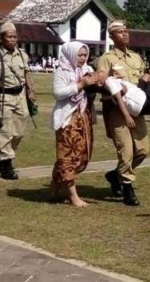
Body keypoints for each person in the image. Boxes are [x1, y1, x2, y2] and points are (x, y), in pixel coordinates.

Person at [97, 20, 149, 206]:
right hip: (117, 111)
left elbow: (142, 80)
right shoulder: (107, 58)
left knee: (143, 150)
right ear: (111, 37)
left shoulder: (136, 58)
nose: (125, 34)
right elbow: (102, 85)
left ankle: (115, 175)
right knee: (125, 152)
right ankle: (128, 188)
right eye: (120, 32)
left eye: (126, 31)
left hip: (137, 108)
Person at [0, 21, 36, 180]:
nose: (13, 39)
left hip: (20, 97)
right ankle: (6, 165)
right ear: (1, 38)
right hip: (2, 96)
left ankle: (0, 152)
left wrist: (31, 90)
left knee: (19, 131)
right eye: (9, 37)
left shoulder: (22, 54)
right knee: (3, 130)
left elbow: (26, 74)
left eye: (15, 37)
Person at [51, 42, 97, 207]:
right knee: (67, 157)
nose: (83, 58)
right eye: (80, 55)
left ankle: (56, 183)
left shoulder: (87, 70)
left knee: (82, 155)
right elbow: (58, 93)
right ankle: (73, 196)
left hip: (83, 116)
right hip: (67, 118)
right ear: (71, 54)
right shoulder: (61, 71)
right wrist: (80, 85)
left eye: (85, 55)